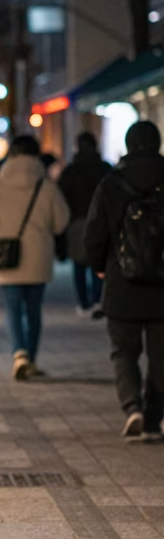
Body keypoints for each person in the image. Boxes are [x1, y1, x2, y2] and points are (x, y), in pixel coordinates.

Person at [85, 120, 164, 441]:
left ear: (129, 145)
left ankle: (132, 406)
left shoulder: (111, 183)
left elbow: (95, 233)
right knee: (161, 356)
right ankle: (154, 418)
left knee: (123, 351)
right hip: (162, 285)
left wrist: (99, 266)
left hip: (122, 281)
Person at [0, 134, 69, 380]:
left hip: (7, 260)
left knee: (13, 309)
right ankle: (32, 358)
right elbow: (61, 223)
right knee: (34, 310)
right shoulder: (46, 186)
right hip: (38, 258)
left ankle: (19, 354)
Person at [59, 132, 110, 316]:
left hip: (77, 221)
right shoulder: (105, 169)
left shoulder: (71, 171)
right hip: (101, 220)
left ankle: (83, 303)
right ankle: (97, 299)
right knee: (99, 260)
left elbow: (62, 197)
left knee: (79, 263)